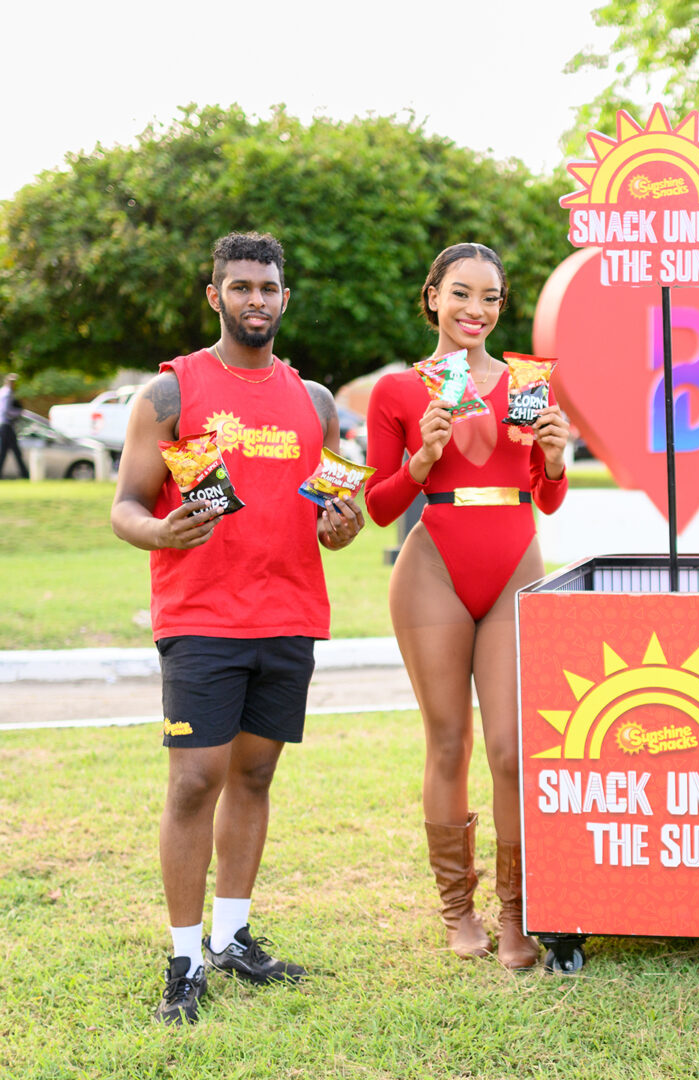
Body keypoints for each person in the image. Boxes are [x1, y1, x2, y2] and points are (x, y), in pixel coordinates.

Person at [111, 232, 365, 1025]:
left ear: (285, 298)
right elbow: (126, 506)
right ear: (214, 295)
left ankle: (231, 937)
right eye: (241, 286)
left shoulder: (315, 402)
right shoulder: (170, 393)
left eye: (268, 287)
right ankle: (184, 959)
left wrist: (343, 527)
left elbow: (332, 515)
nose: (256, 299)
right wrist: (160, 531)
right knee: (195, 781)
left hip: (289, 613)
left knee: (254, 778)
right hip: (201, 617)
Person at [364, 243, 568, 970]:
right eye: (460, 293)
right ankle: (458, 911)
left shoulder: (527, 383)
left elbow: (546, 498)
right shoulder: (398, 391)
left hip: (516, 566)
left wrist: (556, 458)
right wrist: (422, 459)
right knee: (449, 741)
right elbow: (379, 504)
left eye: (490, 297)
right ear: (433, 297)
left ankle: (517, 914)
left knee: (511, 748)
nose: (475, 310)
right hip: (432, 572)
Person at [0, 373, 30, 479]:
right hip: (5, 425)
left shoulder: (3, 392)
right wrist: (18, 412)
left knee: (7, 451)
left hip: (5, 425)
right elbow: (6, 411)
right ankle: (25, 474)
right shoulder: (7, 393)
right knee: (12, 451)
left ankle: (24, 473)